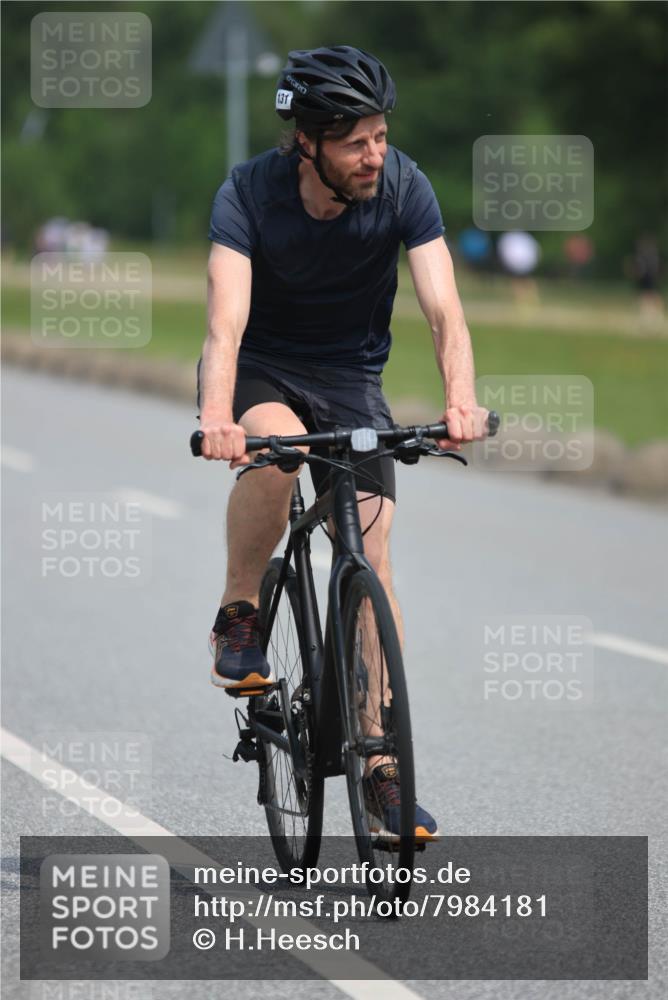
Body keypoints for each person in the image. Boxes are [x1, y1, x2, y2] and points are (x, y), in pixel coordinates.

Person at [197, 46, 490, 841]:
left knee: (372, 546)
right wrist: (220, 414)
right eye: (357, 142)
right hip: (262, 372)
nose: (375, 155)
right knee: (280, 450)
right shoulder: (250, 193)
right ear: (310, 143)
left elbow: (443, 311)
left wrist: (460, 398)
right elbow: (224, 325)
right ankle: (240, 614)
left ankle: (382, 770)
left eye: (381, 136)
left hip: (351, 378)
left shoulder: (404, 186)